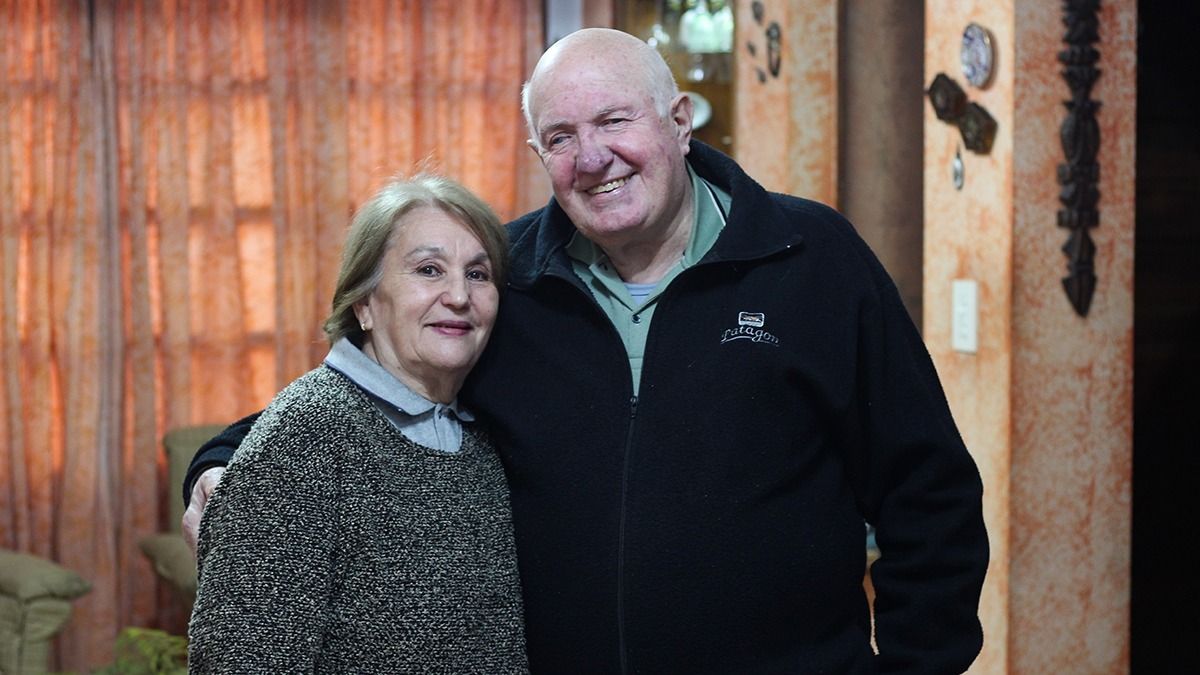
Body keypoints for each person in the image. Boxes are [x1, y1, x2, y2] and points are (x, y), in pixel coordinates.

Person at [184, 28, 988, 673]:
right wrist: (219, 462)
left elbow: (931, 491)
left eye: (613, 121)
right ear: (540, 159)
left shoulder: (811, 256)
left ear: (678, 121)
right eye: (561, 136)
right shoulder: (506, 280)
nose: (592, 157)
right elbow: (359, 390)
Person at [186, 175, 528, 673]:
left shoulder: (476, 432)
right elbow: (242, 658)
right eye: (428, 270)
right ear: (364, 303)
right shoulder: (308, 432)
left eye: (478, 274)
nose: (458, 295)